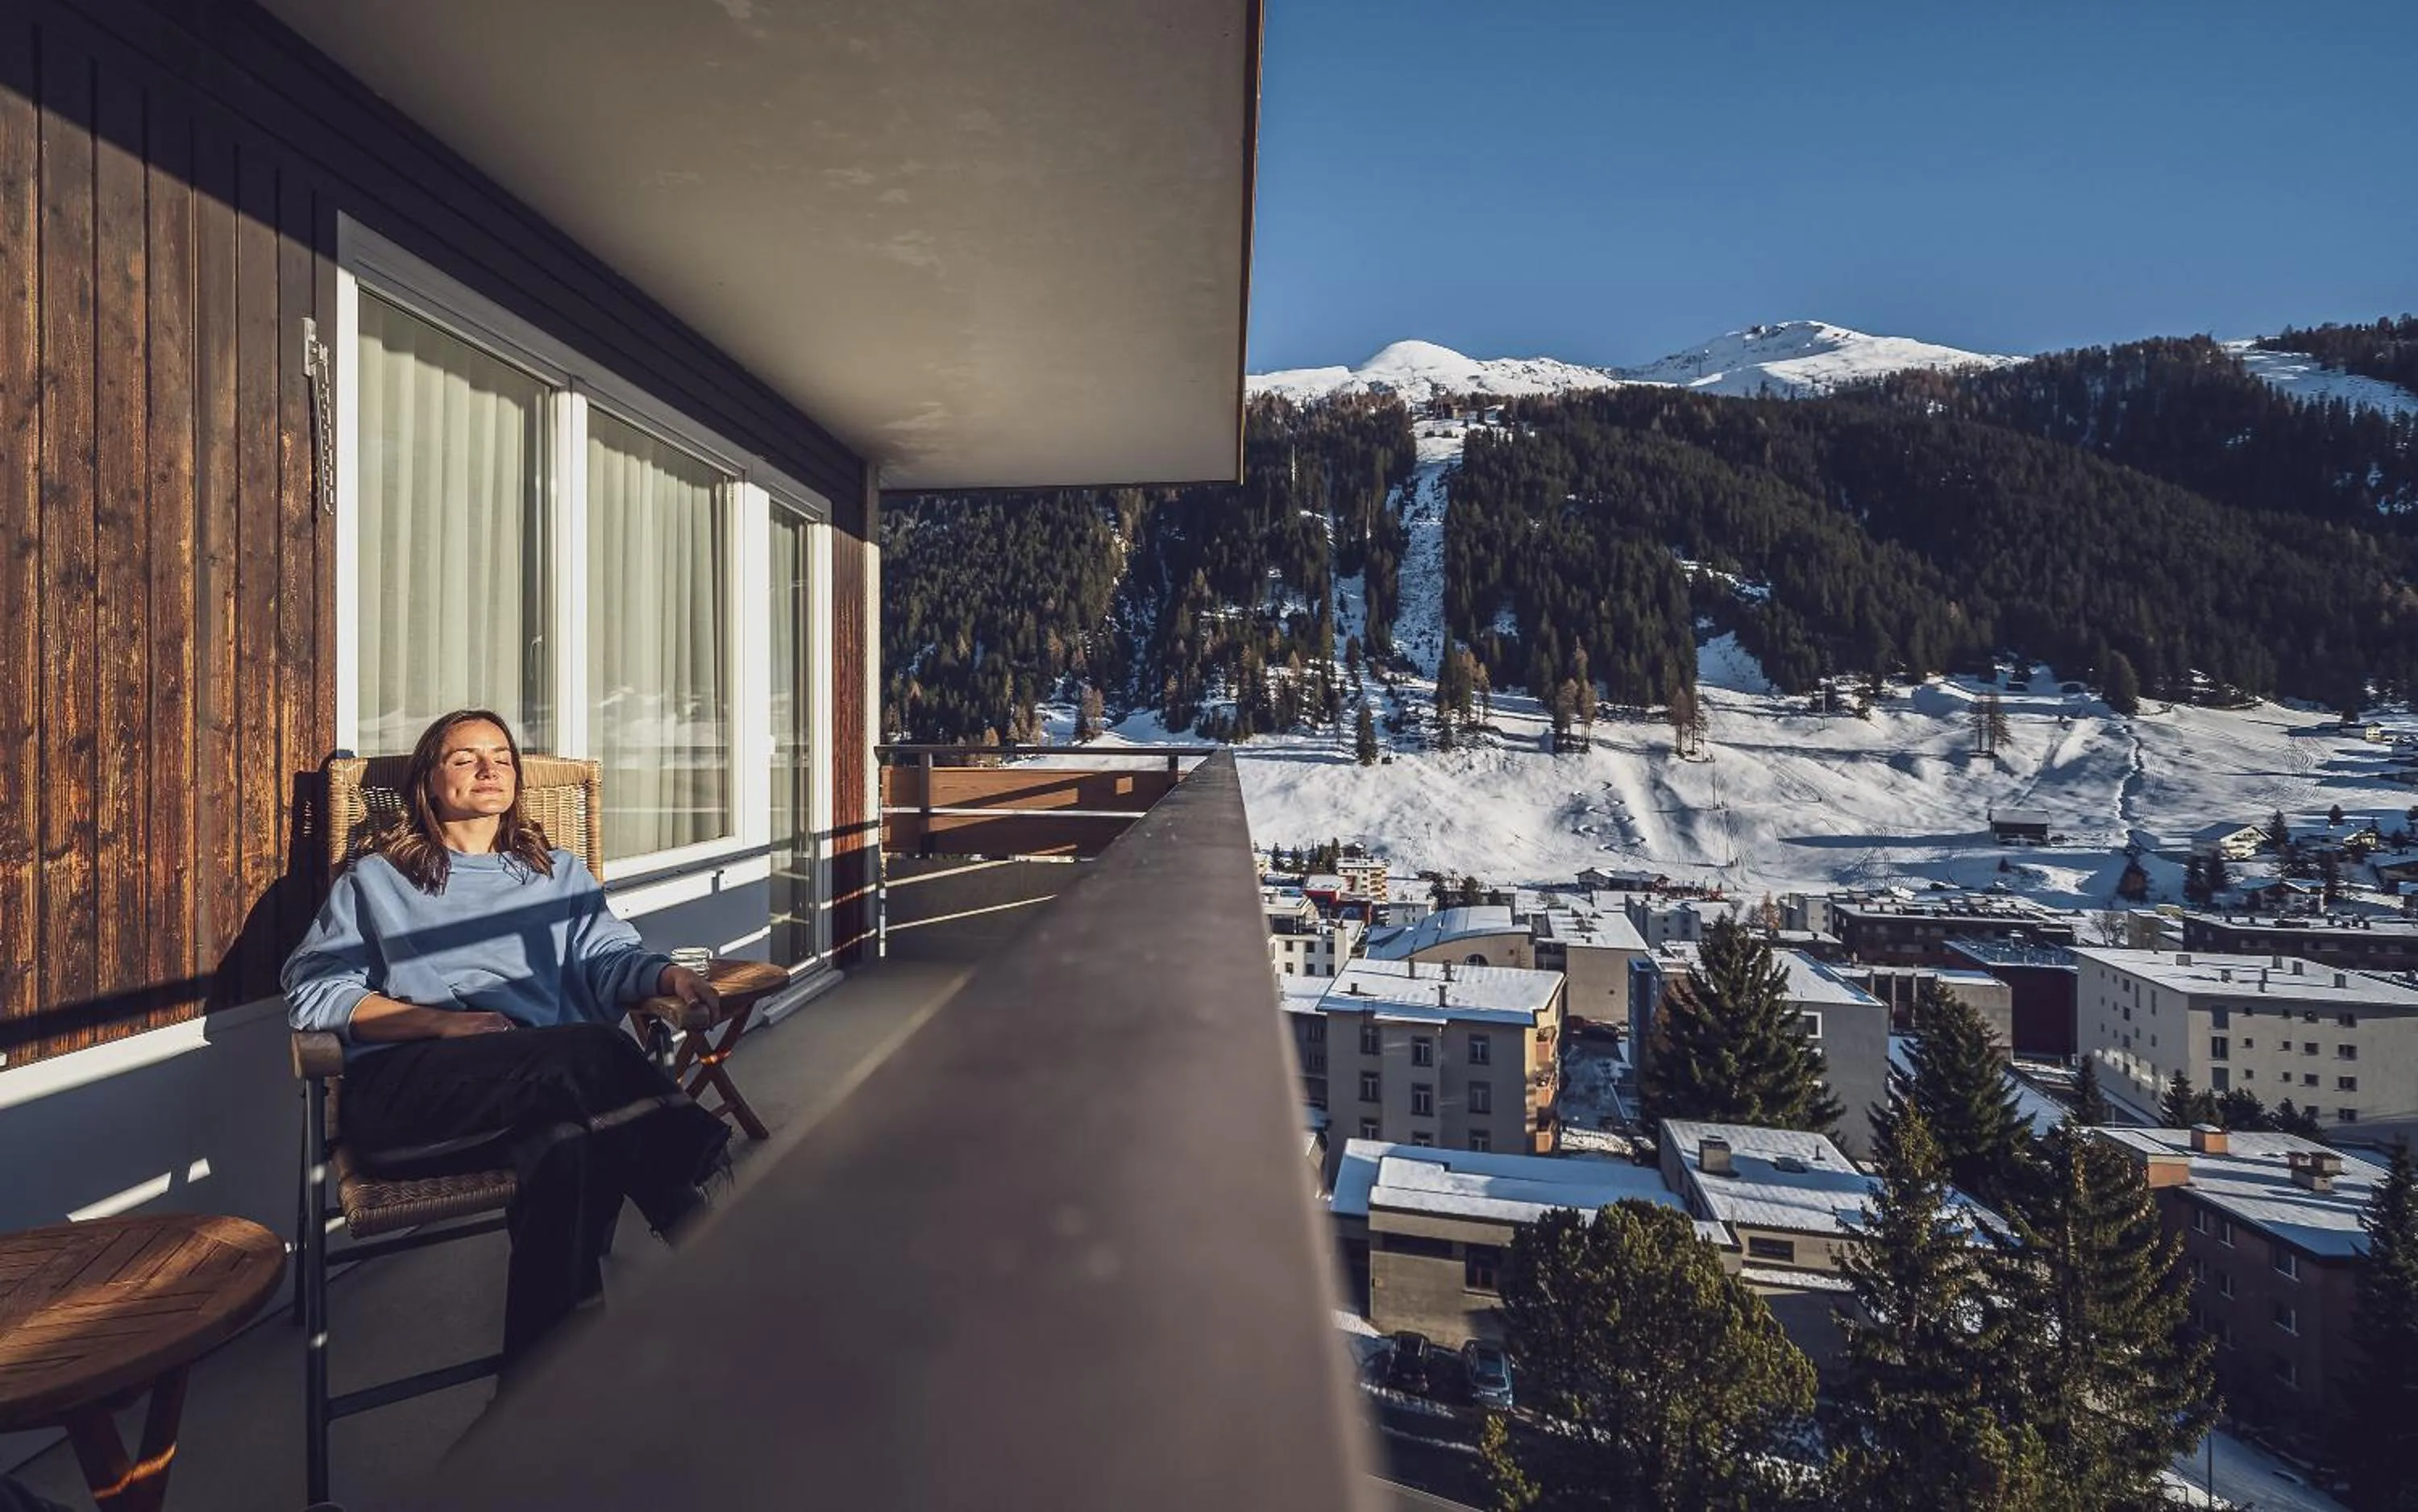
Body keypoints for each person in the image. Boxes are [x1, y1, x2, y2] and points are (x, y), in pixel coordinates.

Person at [284, 708, 733, 1360]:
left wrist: (668, 976)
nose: (489, 768)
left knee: (569, 1148)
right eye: (464, 758)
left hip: (543, 1095)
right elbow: (313, 990)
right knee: (591, 1050)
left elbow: (607, 957)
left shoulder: (557, 873)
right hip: (415, 1099)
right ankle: (694, 1213)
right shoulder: (377, 880)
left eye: (501, 756)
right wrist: (444, 1023)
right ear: (428, 782)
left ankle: (541, 1392)